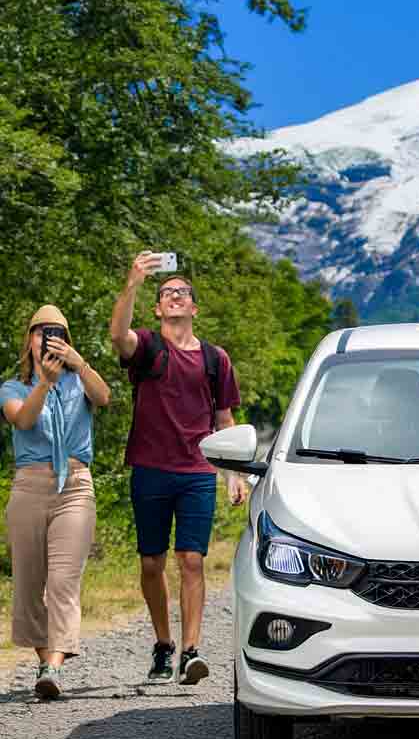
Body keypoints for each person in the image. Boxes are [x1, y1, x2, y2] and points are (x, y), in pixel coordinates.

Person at [110, 253, 245, 685]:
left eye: (182, 292)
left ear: (194, 307)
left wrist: (233, 473)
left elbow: (224, 420)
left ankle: (191, 651)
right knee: (152, 563)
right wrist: (132, 282)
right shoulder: (148, 347)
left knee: (191, 560)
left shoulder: (215, 359)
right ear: (157, 308)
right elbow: (117, 336)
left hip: (197, 473)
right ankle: (163, 644)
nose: (174, 296)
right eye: (167, 292)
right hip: (150, 469)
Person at [1, 305, 111, 699]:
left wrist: (80, 365)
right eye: (41, 332)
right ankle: (45, 658)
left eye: (57, 333)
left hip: (76, 487)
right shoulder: (13, 386)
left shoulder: (80, 380)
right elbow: (23, 420)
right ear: (29, 340)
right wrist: (44, 384)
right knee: (29, 584)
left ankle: (53, 666)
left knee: (64, 581)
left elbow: (104, 397)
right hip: (30, 486)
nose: (48, 339)